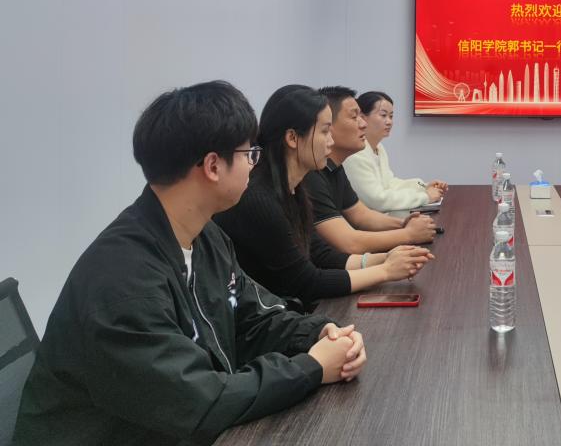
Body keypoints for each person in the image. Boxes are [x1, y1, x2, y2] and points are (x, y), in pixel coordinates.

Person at [14, 81, 366, 446]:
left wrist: (319, 333)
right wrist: (312, 367)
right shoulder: (123, 285)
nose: (253, 164)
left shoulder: (205, 236)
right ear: (213, 165)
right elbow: (201, 402)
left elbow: (251, 317)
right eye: (249, 154)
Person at [214, 85, 432, 310]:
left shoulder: (295, 187)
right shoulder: (260, 198)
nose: (331, 141)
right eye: (325, 131)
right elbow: (306, 282)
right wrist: (385, 270)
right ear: (292, 138)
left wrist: (386, 258)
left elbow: (319, 254)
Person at [303, 87, 439, 255]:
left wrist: (405, 224)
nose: (363, 124)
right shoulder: (311, 176)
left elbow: (361, 215)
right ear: (329, 126)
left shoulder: (335, 167)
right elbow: (349, 243)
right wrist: (408, 234)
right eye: (355, 117)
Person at [343, 90, 448, 212]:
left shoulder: (379, 147)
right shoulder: (355, 153)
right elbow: (377, 200)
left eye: (391, 116)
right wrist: (425, 197)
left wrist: (423, 187)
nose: (389, 122)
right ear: (362, 117)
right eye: (383, 115)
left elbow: (390, 184)